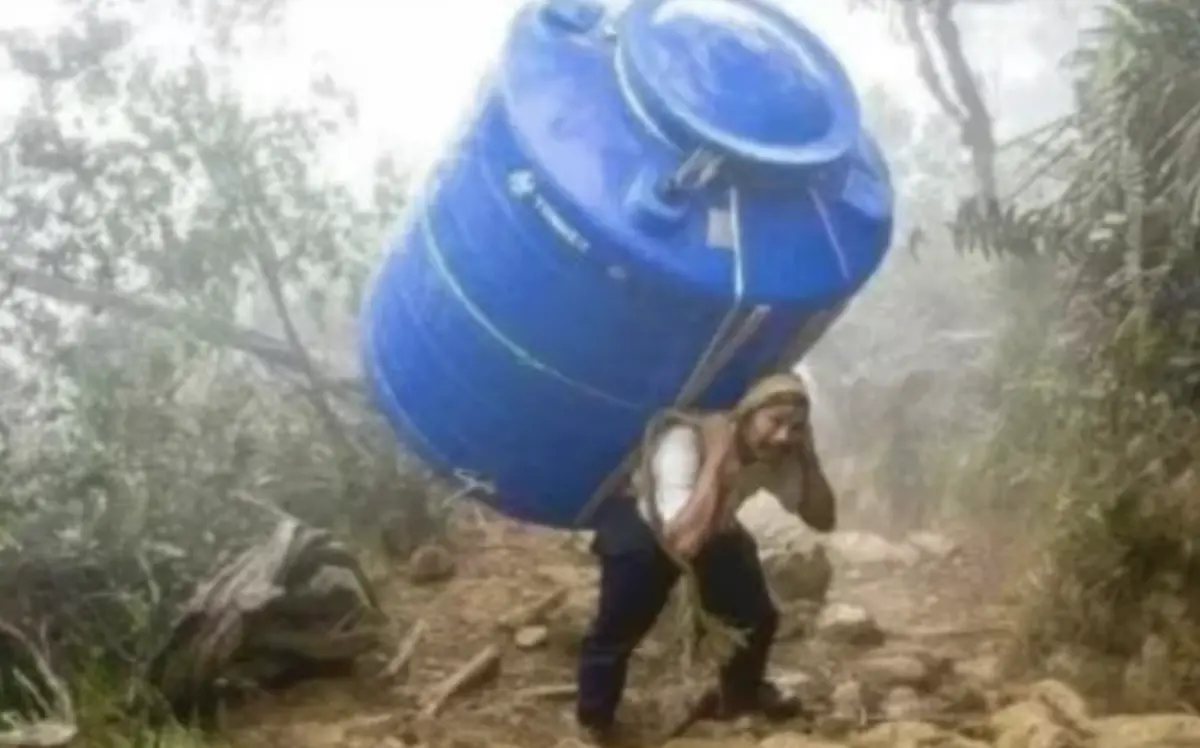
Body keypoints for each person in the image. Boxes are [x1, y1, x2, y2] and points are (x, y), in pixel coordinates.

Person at [576, 372, 838, 744]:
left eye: (796, 427)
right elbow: (682, 541)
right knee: (617, 633)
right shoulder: (684, 442)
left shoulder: (778, 454)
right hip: (647, 527)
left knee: (757, 618)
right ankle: (595, 721)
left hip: (711, 526)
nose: (783, 436)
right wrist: (717, 458)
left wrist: (808, 457)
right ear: (746, 416)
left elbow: (822, 519)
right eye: (775, 422)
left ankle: (740, 697)